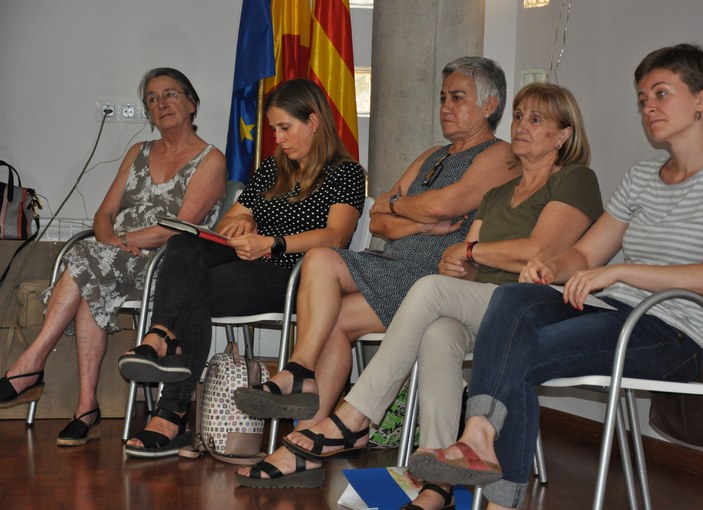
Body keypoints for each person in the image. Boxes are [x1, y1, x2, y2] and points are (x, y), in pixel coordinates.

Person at [407, 44, 703, 510]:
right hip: (615, 312)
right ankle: (479, 436)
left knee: (519, 356)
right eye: (642, 98)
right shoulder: (641, 177)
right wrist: (550, 268)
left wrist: (618, 271)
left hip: (673, 333)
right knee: (514, 298)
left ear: (702, 99)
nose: (648, 107)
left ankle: (490, 476)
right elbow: (585, 253)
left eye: (661, 94)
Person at [282, 82, 604, 510]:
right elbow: (467, 261)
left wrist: (470, 253)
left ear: (563, 135)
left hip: (533, 304)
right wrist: (461, 263)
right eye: (519, 117)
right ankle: (437, 478)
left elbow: (539, 250)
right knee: (438, 332)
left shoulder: (575, 179)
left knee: (430, 288)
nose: (521, 126)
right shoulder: (498, 194)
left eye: (535, 120)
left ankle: (356, 414)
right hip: (484, 301)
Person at [233, 56, 517, 488]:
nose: (445, 107)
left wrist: (402, 206)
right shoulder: (432, 156)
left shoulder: (499, 154)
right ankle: (305, 412)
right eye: (443, 97)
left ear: (490, 105)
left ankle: (302, 422)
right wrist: (416, 219)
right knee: (322, 274)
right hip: (393, 263)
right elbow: (379, 219)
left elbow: (444, 204)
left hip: (435, 276)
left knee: (326, 299)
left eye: (457, 98)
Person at [117, 78, 367, 458]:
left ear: (314, 122)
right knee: (184, 244)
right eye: (274, 129)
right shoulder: (273, 169)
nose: (278, 138)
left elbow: (336, 236)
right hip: (248, 263)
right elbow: (227, 224)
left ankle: (171, 407)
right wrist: (244, 222)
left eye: (285, 127)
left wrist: (272, 242)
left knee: (192, 288)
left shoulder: (345, 173)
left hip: (297, 279)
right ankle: (164, 340)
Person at [0, 67, 227, 447]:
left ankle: (32, 365)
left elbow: (183, 228)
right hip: (116, 254)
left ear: (192, 103)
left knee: (87, 261)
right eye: (152, 99)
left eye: (170, 94)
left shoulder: (211, 160)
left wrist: (121, 241)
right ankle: (85, 408)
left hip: (166, 264)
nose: (161, 103)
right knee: (93, 269)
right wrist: (112, 240)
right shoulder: (138, 152)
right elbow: (104, 214)